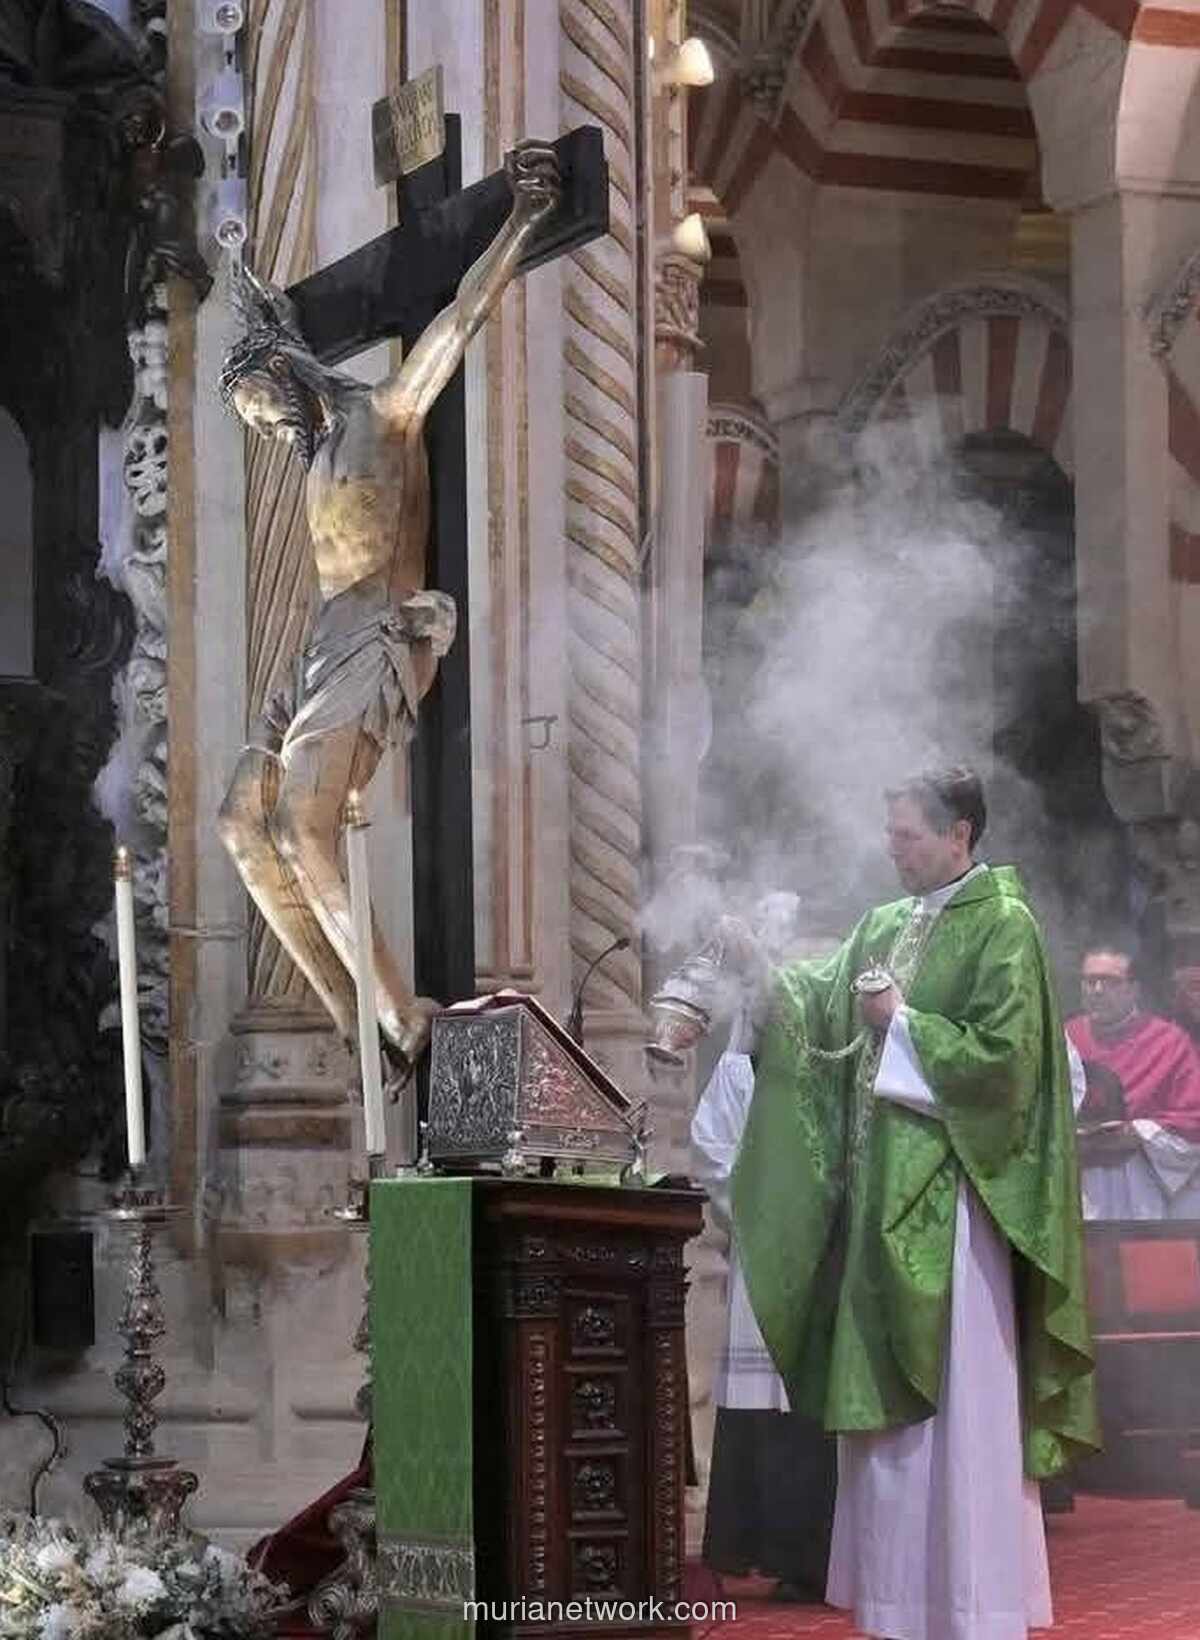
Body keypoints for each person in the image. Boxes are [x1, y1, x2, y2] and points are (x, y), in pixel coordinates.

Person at [216, 141, 561, 1073]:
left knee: (300, 826)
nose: (262, 424)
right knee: (240, 822)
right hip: (321, 641)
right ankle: (348, 1018)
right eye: (249, 417)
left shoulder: (385, 415)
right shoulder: (315, 452)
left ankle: (402, 1011)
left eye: (258, 403)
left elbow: (458, 318)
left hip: (379, 625)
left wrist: (522, 221)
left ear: (288, 375)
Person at [732, 767, 1098, 1640]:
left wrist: (901, 1022)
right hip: (878, 1204)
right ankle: (898, 1609)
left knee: (960, 1415)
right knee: (888, 1435)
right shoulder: (887, 923)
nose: (891, 849)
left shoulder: (1005, 926)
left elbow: (1010, 1069)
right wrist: (762, 970)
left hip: (958, 1207)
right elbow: (819, 1006)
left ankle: (973, 1609)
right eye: (890, 833)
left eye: (907, 835)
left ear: (961, 833)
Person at [691, 1010, 836, 1602]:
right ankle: (770, 1550)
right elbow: (711, 1146)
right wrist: (762, 1207)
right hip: (766, 1249)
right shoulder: (741, 1063)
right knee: (766, 1408)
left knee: (817, 1407)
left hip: (831, 1255)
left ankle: (822, 1556)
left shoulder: (836, 1058)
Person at [1067, 941, 1200, 1218]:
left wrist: (1138, 1134)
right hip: (1073, 1186)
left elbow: (1192, 1122)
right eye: (1090, 981)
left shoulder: (1168, 1043)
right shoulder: (1065, 1038)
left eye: (1110, 982)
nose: (1098, 991)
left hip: (1140, 1190)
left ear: (1134, 989)